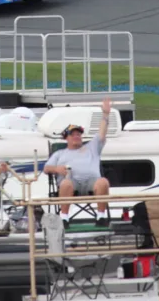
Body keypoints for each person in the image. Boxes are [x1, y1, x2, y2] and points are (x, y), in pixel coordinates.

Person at [44, 97, 112, 227]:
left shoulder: (92, 147)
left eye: (79, 134)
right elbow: (46, 168)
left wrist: (106, 114)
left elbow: (102, 134)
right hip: (71, 184)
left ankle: (101, 217)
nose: (77, 136)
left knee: (103, 181)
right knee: (65, 184)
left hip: (92, 183)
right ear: (66, 138)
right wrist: (57, 169)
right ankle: (64, 219)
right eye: (73, 134)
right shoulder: (59, 154)